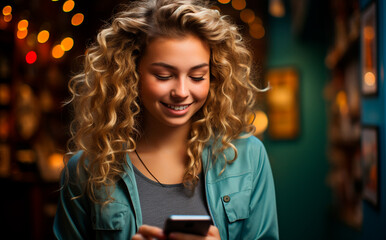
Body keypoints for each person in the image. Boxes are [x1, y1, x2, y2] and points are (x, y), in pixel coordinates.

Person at [53, 0, 279, 239]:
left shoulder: (248, 157)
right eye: (164, 76)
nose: (181, 91)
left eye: (197, 76)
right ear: (131, 73)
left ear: (213, 77)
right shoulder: (86, 170)